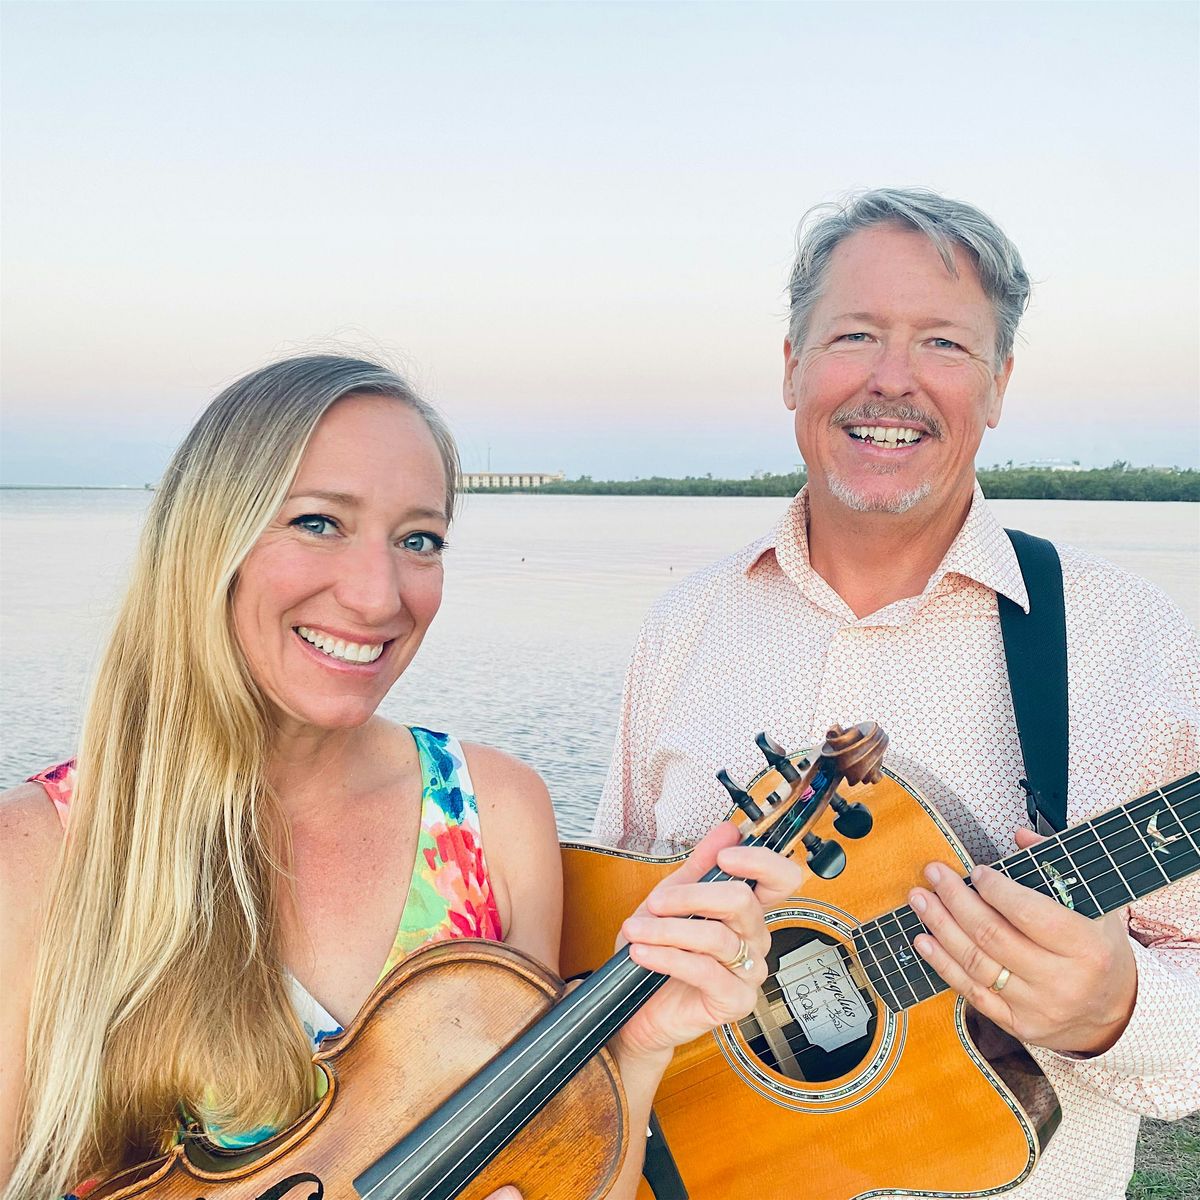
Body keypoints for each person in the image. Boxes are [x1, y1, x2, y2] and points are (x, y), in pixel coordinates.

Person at [0, 354, 803, 1200]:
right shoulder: (45, 851)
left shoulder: (494, 813)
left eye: (419, 539)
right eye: (318, 522)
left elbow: (545, 1176)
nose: (379, 594)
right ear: (209, 541)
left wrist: (634, 1053)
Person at [593, 188, 1200, 1199]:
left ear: (999, 384)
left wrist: (1117, 1010)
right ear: (791, 366)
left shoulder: (1139, 641)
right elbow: (607, 919)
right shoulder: (684, 624)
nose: (892, 381)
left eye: (943, 346)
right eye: (856, 334)